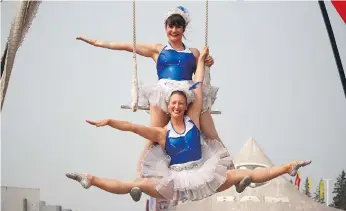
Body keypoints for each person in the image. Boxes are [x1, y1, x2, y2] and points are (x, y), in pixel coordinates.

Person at [66, 47, 312, 209]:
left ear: (185, 107)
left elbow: (198, 84)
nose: (176, 107)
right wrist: (108, 122)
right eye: (172, 103)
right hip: (172, 178)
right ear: (169, 105)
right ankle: (91, 179)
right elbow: (131, 127)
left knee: (242, 174)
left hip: (202, 172)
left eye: (180, 104)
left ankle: (287, 167)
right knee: (135, 184)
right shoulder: (162, 133)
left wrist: (201, 60)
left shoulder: (193, 120)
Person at [76, 6, 230, 201]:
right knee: (153, 136)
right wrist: (97, 43)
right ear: (165, 27)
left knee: (210, 133)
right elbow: (125, 45)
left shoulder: (193, 52)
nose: (174, 31)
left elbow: (202, 68)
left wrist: (208, 61)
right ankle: (139, 177)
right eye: (170, 26)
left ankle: (229, 168)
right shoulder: (158, 49)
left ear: (184, 29)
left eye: (178, 27)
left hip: (188, 96)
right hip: (163, 94)